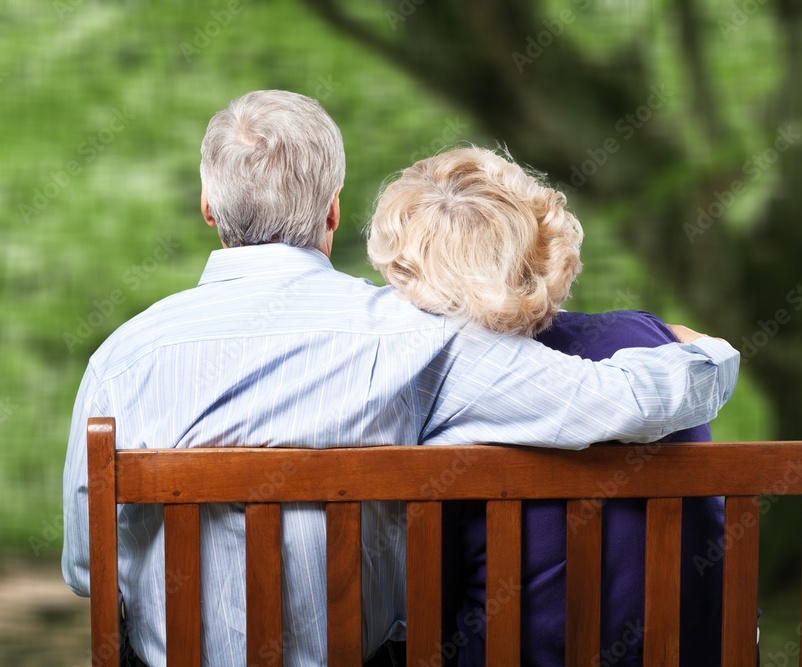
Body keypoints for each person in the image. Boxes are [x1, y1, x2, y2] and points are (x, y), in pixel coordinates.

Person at [62, 91, 739, 667]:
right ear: (332, 209)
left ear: (209, 206)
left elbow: (88, 569)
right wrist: (706, 352)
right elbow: (620, 403)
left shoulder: (121, 358)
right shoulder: (420, 339)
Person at [366, 145, 725, 665]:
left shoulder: (441, 392)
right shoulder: (650, 341)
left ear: (409, 273)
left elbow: (426, 612)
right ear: (545, 245)